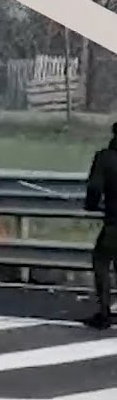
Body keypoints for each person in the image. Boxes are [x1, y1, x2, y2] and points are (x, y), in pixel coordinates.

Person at [83, 122, 117, 330]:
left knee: (101, 262)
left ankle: (104, 313)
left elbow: (95, 188)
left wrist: (91, 205)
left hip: (114, 223)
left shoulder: (105, 158)